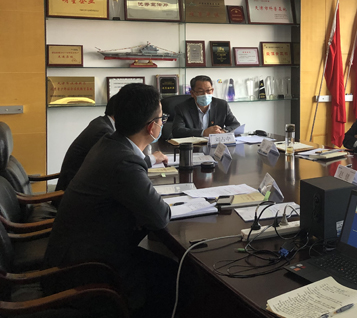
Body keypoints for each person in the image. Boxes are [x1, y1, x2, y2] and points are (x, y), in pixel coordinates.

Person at [45, 84, 176, 317]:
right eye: (161, 118)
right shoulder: (123, 161)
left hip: (76, 252)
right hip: (87, 271)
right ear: (151, 127)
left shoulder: (111, 142)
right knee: (175, 275)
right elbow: (159, 217)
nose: (162, 123)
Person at [55, 92, 167, 192]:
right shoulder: (104, 133)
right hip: (70, 197)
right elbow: (125, 163)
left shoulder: (101, 123)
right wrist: (152, 158)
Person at [172, 75, 240, 137]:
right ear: (192, 93)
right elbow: (177, 131)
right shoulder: (182, 108)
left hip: (216, 144)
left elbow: (235, 125)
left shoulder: (222, 105)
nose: (205, 94)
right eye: (201, 91)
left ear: (212, 90)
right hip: (194, 145)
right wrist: (203, 133)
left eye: (208, 90)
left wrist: (223, 131)